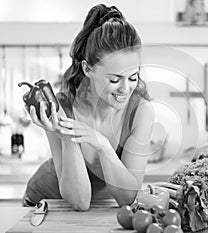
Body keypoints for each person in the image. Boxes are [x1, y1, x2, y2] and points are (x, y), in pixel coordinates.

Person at [22, 3, 154, 211]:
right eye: (114, 80)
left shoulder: (141, 111)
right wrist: (67, 136)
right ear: (88, 69)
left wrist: (103, 145)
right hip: (46, 203)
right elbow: (79, 201)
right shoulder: (62, 107)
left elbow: (127, 198)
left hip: (98, 208)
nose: (125, 89)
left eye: (133, 77)